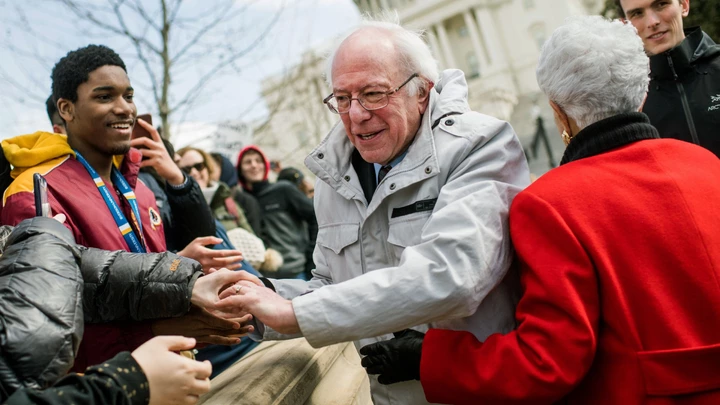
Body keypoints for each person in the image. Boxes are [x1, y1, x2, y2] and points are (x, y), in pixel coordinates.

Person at [359, 16, 720, 404]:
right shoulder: (706, 164)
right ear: (642, 94)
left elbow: (546, 363)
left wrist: (427, 357)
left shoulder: (549, 204)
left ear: (558, 112)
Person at [217, 14, 529, 404]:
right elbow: (332, 287)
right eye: (342, 98)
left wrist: (296, 315)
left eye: (373, 94)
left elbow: (452, 275)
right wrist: (256, 300)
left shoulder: (480, 145)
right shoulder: (334, 176)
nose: (356, 114)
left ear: (422, 91)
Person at [1, 44, 239, 371]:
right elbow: (46, 327)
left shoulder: (139, 189)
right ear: (66, 109)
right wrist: (153, 332)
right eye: (104, 97)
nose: (124, 108)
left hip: (174, 374)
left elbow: (133, 285)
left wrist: (181, 286)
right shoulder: (35, 188)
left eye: (128, 96)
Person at [0, 216, 254, 404]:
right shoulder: (33, 191)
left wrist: (187, 284)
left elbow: (73, 270)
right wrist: (128, 382)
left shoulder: (139, 186)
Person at [616, 0, 720, 157]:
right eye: (637, 13)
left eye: (661, 4)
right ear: (625, 24)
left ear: (684, 5)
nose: (653, 22)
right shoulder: (624, 99)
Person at [236, 146, 317, 279]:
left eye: (258, 160)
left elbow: (316, 218)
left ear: (265, 165)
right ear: (240, 170)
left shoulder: (283, 190)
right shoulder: (241, 202)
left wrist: (312, 260)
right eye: (247, 162)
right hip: (264, 278)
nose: (254, 165)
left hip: (298, 272)